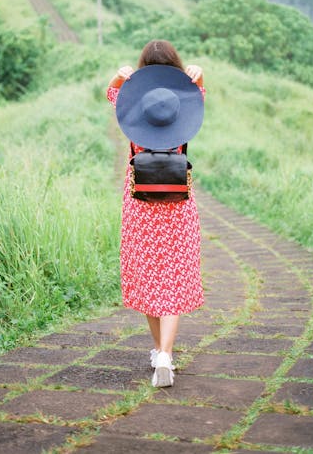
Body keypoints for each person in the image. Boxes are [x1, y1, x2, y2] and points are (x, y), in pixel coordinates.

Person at [107, 39, 205, 388]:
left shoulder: (132, 106)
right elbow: (200, 95)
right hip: (178, 201)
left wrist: (121, 80)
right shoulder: (186, 103)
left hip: (140, 202)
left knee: (148, 277)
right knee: (174, 277)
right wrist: (198, 76)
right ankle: (165, 353)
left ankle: (159, 351)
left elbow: (111, 94)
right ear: (176, 67)